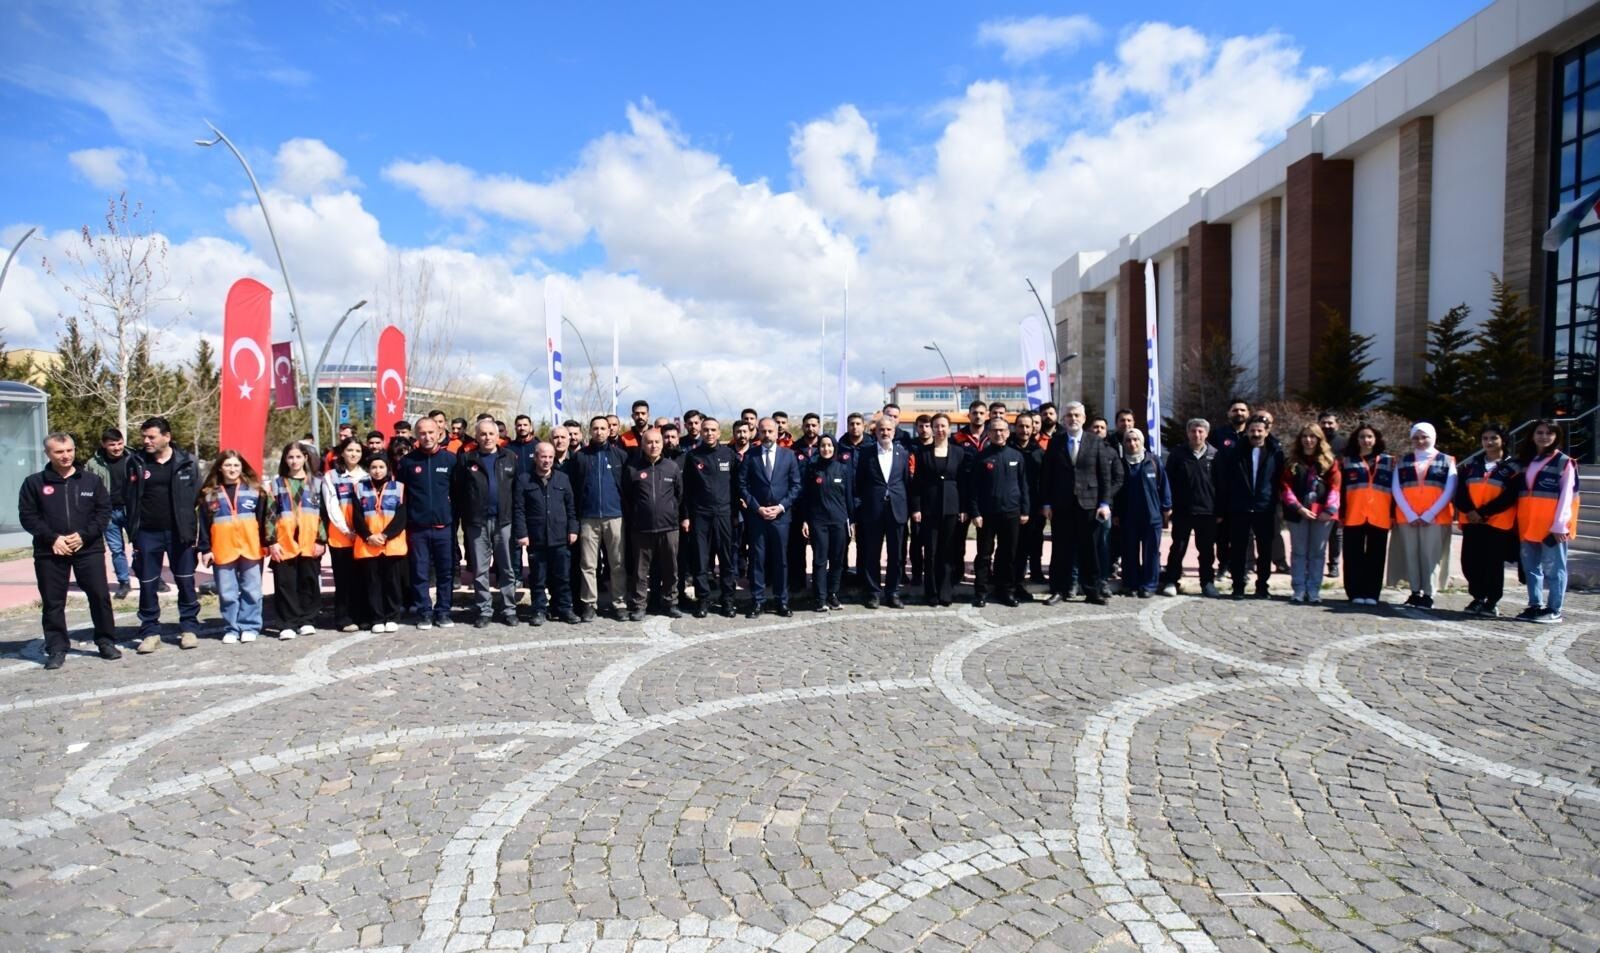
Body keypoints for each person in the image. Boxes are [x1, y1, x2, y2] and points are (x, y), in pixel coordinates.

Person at [19, 433, 119, 669]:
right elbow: (28, 516)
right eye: (59, 452)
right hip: (50, 551)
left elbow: (103, 512)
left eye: (69, 451)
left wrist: (84, 536)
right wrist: (52, 538)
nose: (65, 456)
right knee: (53, 602)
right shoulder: (34, 483)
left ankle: (106, 642)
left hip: (88, 549)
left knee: (99, 596)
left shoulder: (91, 481)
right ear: (48, 454)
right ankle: (56, 648)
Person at [125, 416, 202, 653]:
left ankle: (188, 628)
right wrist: (133, 531)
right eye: (144, 437)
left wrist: (195, 532)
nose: (146, 441)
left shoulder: (187, 462)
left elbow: (198, 498)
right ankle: (150, 631)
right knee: (148, 584)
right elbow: (129, 497)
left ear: (167, 437)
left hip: (179, 533)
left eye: (152, 437)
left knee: (185, 581)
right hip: (147, 533)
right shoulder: (135, 462)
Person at [1041, 402, 1121, 605]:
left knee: (1090, 550)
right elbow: (1047, 476)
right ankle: (1059, 589)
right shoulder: (1055, 442)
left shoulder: (1095, 442)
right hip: (1062, 505)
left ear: (1084, 419)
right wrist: (1047, 503)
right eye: (1069, 415)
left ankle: (1092, 591)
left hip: (1090, 505)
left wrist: (1105, 503)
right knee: (1061, 550)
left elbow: (1104, 475)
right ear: (1063, 419)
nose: (1073, 418)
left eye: (1077, 415)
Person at [452, 419, 520, 628]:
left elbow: (516, 491)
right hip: (477, 523)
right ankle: (484, 609)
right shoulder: (466, 459)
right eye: (483, 434)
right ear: (477, 436)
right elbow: (458, 491)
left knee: (507, 568)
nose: (487, 438)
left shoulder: (509, 458)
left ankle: (509, 609)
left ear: (498, 436)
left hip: (504, 521)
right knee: (480, 570)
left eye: (491, 434)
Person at [197, 449, 268, 645]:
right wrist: (205, 549)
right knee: (227, 592)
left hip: (251, 547)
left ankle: (250, 626)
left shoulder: (255, 491)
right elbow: (203, 524)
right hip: (222, 548)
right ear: (220, 467)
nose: (232, 469)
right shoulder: (209, 494)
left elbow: (263, 520)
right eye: (228, 465)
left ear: (242, 467)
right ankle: (231, 627)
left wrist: (267, 543)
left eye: (236, 465)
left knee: (252, 590)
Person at [396, 417, 458, 629]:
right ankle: (424, 611)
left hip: (444, 528)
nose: (427, 437)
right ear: (416, 435)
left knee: (445, 572)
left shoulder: (450, 460)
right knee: (420, 572)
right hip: (417, 529)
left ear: (439, 432)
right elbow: (401, 497)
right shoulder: (407, 462)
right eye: (422, 433)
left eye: (431, 432)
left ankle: (443, 611)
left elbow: (457, 494)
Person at [1454, 424, 1521, 617]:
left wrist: (1483, 512)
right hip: (1472, 522)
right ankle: (1477, 597)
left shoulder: (1513, 467)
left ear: (1503, 441)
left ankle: (1491, 601)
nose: (1489, 442)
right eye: (1485, 438)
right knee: (1470, 561)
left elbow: (1509, 496)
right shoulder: (1470, 466)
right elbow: (1460, 493)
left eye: (1494, 438)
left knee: (1492, 563)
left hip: (1497, 523)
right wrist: (1470, 511)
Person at [739, 417, 801, 617]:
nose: (767, 435)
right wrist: (757, 508)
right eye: (763, 431)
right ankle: (758, 601)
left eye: (770, 431)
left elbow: (796, 486)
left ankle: (782, 601)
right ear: (758, 432)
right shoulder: (750, 455)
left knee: (781, 560)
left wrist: (781, 507)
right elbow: (742, 485)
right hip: (758, 517)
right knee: (757, 559)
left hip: (781, 518)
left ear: (777, 432)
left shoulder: (789, 456)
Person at [1390, 422, 1457, 610]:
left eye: (1424, 437)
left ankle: (1429, 593)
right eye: (1416, 437)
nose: (1420, 441)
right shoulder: (1403, 461)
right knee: (1411, 555)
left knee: (1430, 556)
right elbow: (1396, 488)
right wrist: (1410, 514)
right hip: (1407, 518)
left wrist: (1429, 514)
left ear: (1432, 437)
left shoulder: (1447, 460)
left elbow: (1449, 490)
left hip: (1435, 518)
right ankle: (1415, 591)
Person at [1217, 415, 1283, 600]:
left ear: (1266, 432)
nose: (1256, 434)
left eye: (1259, 431)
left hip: (1265, 507)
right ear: (1247, 432)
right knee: (1238, 549)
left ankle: (1262, 586)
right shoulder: (1235, 452)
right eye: (1252, 431)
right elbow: (1226, 480)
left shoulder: (1275, 452)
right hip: (1240, 507)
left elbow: (1278, 480)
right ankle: (1238, 586)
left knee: (1265, 550)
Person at [1517, 419, 1577, 624]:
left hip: (1551, 527)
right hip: (1528, 523)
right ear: (1533, 435)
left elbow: (1568, 495)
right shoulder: (1527, 461)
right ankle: (1535, 605)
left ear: (1556, 437)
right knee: (1531, 568)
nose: (1544, 437)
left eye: (1549, 433)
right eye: (1540, 432)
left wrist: (1560, 524)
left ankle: (1554, 609)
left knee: (1554, 568)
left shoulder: (1564, 462)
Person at [570, 415, 629, 622]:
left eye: (603, 428)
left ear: (610, 430)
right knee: (588, 564)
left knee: (618, 563)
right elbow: (574, 489)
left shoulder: (620, 456)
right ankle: (589, 604)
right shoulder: (580, 457)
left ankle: (619, 604)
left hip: (615, 517)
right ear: (590, 431)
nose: (600, 432)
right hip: (588, 518)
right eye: (595, 428)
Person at [514, 441, 580, 626]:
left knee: (563, 577)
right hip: (537, 537)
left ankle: (565, 608)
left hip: (560, 536)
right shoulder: (524, 480)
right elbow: (519, 509)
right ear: (535, 457)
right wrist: (522, 533)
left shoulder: (562, 479)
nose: (547, 460)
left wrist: (573, 529)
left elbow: (571, 507)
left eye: (550, 457)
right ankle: (539, 610)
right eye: (543, 456)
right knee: (538, 578)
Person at [264, 442, 326, 638]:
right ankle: (287, 623)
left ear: (305, 458)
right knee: (285, 583)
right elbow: (269, 514)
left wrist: (321, 540)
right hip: (284, 541)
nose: (294, 461)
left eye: (298, 457)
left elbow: (324, 514)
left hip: (309, 540)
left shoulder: (317, 483)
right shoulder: (277, 484)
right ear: (285, 460)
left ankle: (307, 619)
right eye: (290, 457)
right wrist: (271, 541)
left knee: (308, 581)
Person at [682, 417, 741, 618]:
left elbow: (736, 488)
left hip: (724, 514)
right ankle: (703, 600)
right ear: (701, 432)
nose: (709, 433)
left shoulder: (729, 455)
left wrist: (734, 514)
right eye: (705, 430)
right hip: (701, 515)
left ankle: (727, 600)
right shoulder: (693, 456)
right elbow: (686, 490)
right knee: (701, 559)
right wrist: (687, 516)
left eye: (713, 430)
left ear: (719, 432)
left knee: (726, 560)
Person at [622, 428, 683, 621]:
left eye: (657, 442)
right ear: (642, 445)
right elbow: (627, 497)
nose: (653, 445)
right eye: (649, 442)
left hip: (668, 527)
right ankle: (640, 605)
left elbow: (679, 495)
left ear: (662, 444)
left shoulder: (672, 467)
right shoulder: (633, 468)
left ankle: (670, 602)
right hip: (641, 528)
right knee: (640, 571)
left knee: (670, 569)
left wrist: (670, 511)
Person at [970, 416, 1030, 607]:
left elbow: (1023, 485)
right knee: (984, 554)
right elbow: (973, 489)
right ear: (988, 433)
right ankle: (981, 592)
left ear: (1008, 432)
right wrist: (975, 512)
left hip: (1012, 512)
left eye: (1002, 430)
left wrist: (1025, 510)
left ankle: (1006, 591)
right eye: (994, 430)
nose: (998, 433)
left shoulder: (1016, 456)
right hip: (987, 514)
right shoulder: (981, 457)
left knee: (1008, 555)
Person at [853, 416, 912, 609]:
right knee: (872, 553)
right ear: (875, 432)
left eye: (888, 430)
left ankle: (893, 592)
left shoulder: (902, 453)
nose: (885, 433)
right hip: (873, 510)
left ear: (894, 432)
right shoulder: (866, 453)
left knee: (896, 555)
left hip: (896, 509)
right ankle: (873, 593)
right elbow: (859, 483)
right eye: (881, 430)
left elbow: (904, 482)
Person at [1280, 423, 1341, 606]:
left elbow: (1335, 487)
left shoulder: (1329, 461)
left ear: (1319, 439)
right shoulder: (1291, 461)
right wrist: (1298, 507)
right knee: (1298, 552)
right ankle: (1298, 589)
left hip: (1322, 514)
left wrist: (1328, 510)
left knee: (1318, 552)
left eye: (1312, 436)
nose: (1308, 440)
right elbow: (1284, 487)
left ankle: (1314, 590)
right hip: (1298, 513)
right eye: (1305, 436)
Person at [912, 414, 968, 607]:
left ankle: (946, 592)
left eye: (943, 426)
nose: (940, 430)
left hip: (952, 508)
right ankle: (931, 592)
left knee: (948, 552)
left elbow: (963, 482)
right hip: (929, 508)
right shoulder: (923, 452)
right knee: (931, 552)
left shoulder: (959, 452)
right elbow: (917, 482)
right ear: (932, 429)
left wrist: (963, 508)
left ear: (949, 428)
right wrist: (916, 508)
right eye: (936, 426)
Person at [1160, 419, 1220, 598]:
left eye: (1201, 431)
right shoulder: (1177, 454)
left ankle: (1207, 583)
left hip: (1208, 512)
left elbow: (1221, 484)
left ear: (1207, 433)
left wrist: (1220, 510)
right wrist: (1168, 506)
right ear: (1188, 433)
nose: (1197, 434)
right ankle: (1171, 581)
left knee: (1207, 551)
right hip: (1182, 510)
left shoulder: (1215, 455)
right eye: (1193, 431)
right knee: (1177, 548)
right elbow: (1168, 482)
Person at [1338, 425, 1394, 606]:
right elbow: (1339, 490)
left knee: (1376, 557)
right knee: (1353, 556)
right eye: (1362, 437)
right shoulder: (1346, 462)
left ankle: (1372, 593)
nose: (1366, 440)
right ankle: (1354, 592)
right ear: (1356, 439)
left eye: (1370, 436)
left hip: (1380, 515)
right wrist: (1340, 514)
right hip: (1353, 515)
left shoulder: (1389, 462)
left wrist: (1393, 514)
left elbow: (1396, 491)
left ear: (1376, 439)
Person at [1113, 428, 1170, 598]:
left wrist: (1166, 507)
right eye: (1129, 440)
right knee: (1129, 551)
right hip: (1128, 516)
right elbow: (1116, 491)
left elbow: (1164, 486)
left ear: (1142, 441)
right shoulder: (1120, 464)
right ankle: (1131, 584)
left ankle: (1149, 585)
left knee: (1151, 552)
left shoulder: (1153, 462)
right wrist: (1116, 513)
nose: (1132, 443)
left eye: (1136, 440)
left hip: (1151, 516)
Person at [800, 434, 855, 611]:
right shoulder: (812, 468)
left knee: (837, 560)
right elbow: (805, 497)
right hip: (818, 521)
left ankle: (833, 594)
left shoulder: (843, 469)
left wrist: (852, 522)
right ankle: (820, 597)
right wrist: (805, 520)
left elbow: (849, 498)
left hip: (839, 521)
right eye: (823, 446)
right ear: (819, 448)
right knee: (819, 560)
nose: (826, 449)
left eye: (830, 446)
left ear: (835, 448)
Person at [354, 454, 408, 632]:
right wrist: (368, 535)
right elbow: (356, 516)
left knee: (392, 582)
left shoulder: (399, 488)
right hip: (368, 544)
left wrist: (385, 535)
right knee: (372, 582)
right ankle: (376, 618)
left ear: (388, 469)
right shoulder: (359, 488)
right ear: (368, 470)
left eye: (381, 467)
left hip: (391, 544)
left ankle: (392, 616)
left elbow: (401, 517)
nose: (377, 471)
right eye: (374, 467)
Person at [322, 437, 368, 632]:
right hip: (341, 537)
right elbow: (331, 506)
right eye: (350, 450)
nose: (354, 454)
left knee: (362, 578)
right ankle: (344, 617)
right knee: (343, 579)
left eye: (357, 451)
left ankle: (362, 615)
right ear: (342, 452)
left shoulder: (367, 475)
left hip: (364, 537)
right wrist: (346, 530)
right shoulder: (331, 476)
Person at [84, 427, 133, 599]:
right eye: (112, 444)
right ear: (104, 445)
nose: (117, 448)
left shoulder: (133, 458)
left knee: (141, 547)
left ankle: (152, 579)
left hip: (131, 510)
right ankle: (124, 582)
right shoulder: (93, 464)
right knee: (116, 549)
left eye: (120, 443)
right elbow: (87, 488)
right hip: (108, 512)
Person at [1012, 412, 1047, 586]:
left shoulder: (1039, 452)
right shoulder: (1008, 448)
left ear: (1033, 428)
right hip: (1011, 504)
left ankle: (1036, 571)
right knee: (1013, 544)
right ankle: (1013, 579)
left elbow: (1046, 479)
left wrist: (1044, 504)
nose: (1024, 430)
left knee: (1035, 541)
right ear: (1015, 427)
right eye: (1021, 426)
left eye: (1028, 426)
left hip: (1034, 505)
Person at [1318, 412, 1344, 576]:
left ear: (1337, 424)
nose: (1327, 426)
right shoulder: (1314, 441)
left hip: (1338, 491)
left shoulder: (1345, 443)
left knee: (1336, 532)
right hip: (1317, 492)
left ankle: (1334, 564)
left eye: (1330, 423)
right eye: (1323, 423)